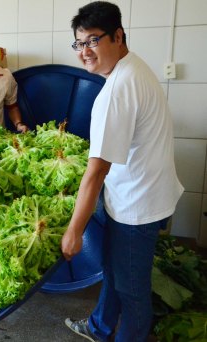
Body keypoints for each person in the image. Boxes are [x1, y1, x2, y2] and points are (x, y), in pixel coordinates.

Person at [61, 2, 184, 342]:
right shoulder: (132, 67)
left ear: (118, 35)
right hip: (138, 194)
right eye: (79, 43)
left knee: (132, 291)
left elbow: (96, 171)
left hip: (137, 207)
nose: (85, 51)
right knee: (115, 274)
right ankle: (100, 327)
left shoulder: (117, 89)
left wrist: (74, 230)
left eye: (93, 40)